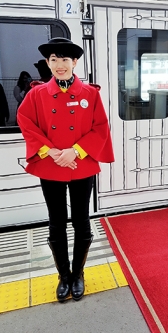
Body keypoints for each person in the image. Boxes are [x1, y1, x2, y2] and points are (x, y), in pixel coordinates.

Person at [17, 37, 115, 302]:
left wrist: (76, 151)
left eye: (64, 60)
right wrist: (51, 152)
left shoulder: (90, 94)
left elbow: (100, 127)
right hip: (51, 165)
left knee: (81, 221)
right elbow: (26, 121)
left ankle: (78, 274)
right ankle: (63, 275)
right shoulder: (36, 93)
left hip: (81, 165)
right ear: (48, 64)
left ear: (74, 62)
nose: (59, 65)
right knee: (56, 222)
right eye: (53, 60)